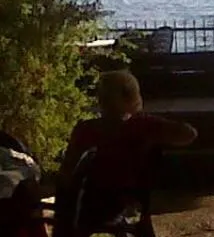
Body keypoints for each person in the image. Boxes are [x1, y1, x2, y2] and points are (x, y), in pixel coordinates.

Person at [57, 69, 198, 218]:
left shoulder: (84, 130)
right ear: (132, 96)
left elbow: (67, 172)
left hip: (85, 206)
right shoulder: (143, 125)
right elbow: (189, 134)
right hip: (124, 203)